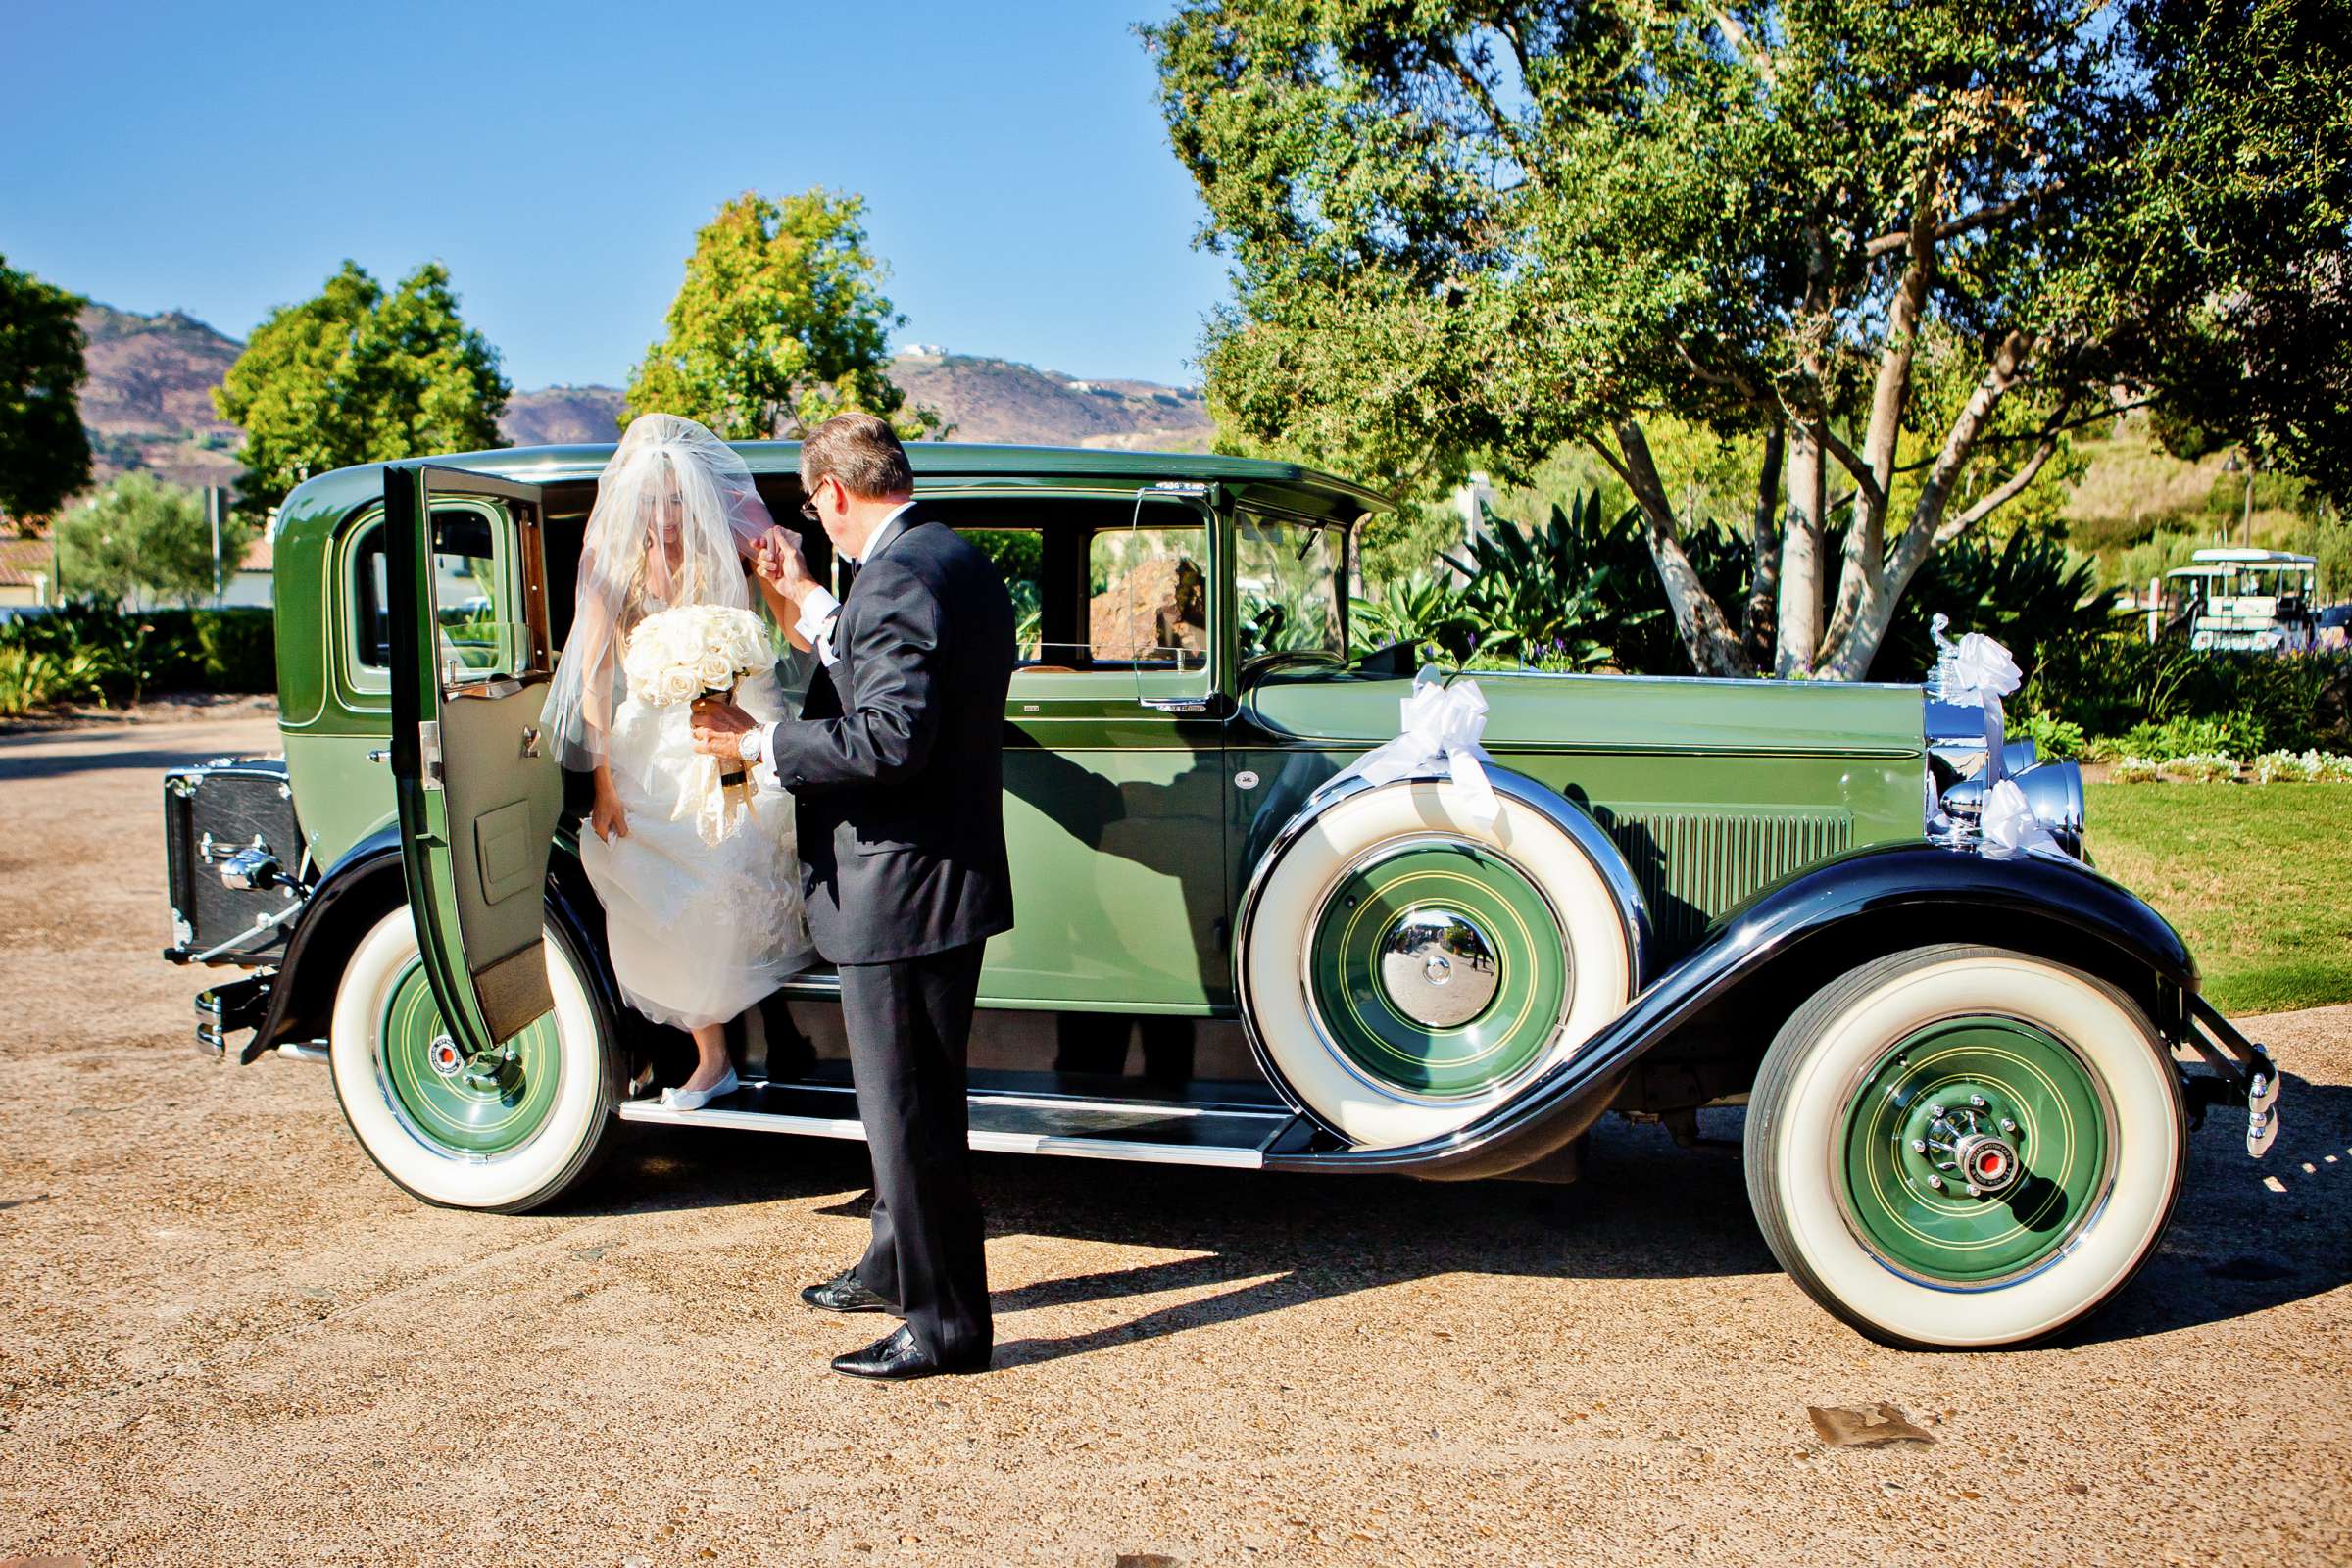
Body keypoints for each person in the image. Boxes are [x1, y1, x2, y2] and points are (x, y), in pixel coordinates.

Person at [691, 412, 1015, 1381]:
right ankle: (890, 1262)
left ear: (832, 493)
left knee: (912, 1116)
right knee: (904, 1107)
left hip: (902, 891)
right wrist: (809, 605)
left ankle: (947, 1325)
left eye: (812, 506)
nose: (815, 523)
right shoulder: (948, 556)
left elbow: (888, 741)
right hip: (932, 880)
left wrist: (754, 746)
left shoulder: (902, 575)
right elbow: (888, 677)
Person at [541, 413, 810, 1109]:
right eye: (653, 500)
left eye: (679, 500)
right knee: (659, 876)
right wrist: (602, 783)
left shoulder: (733, 549)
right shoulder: (610, 567)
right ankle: (710, 1052)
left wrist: (786, 575)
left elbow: (792, 638)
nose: (665, 516)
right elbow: (596, 676)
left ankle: (798, 1030)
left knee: (740, 857)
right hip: (653, 742)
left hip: (739, 719)